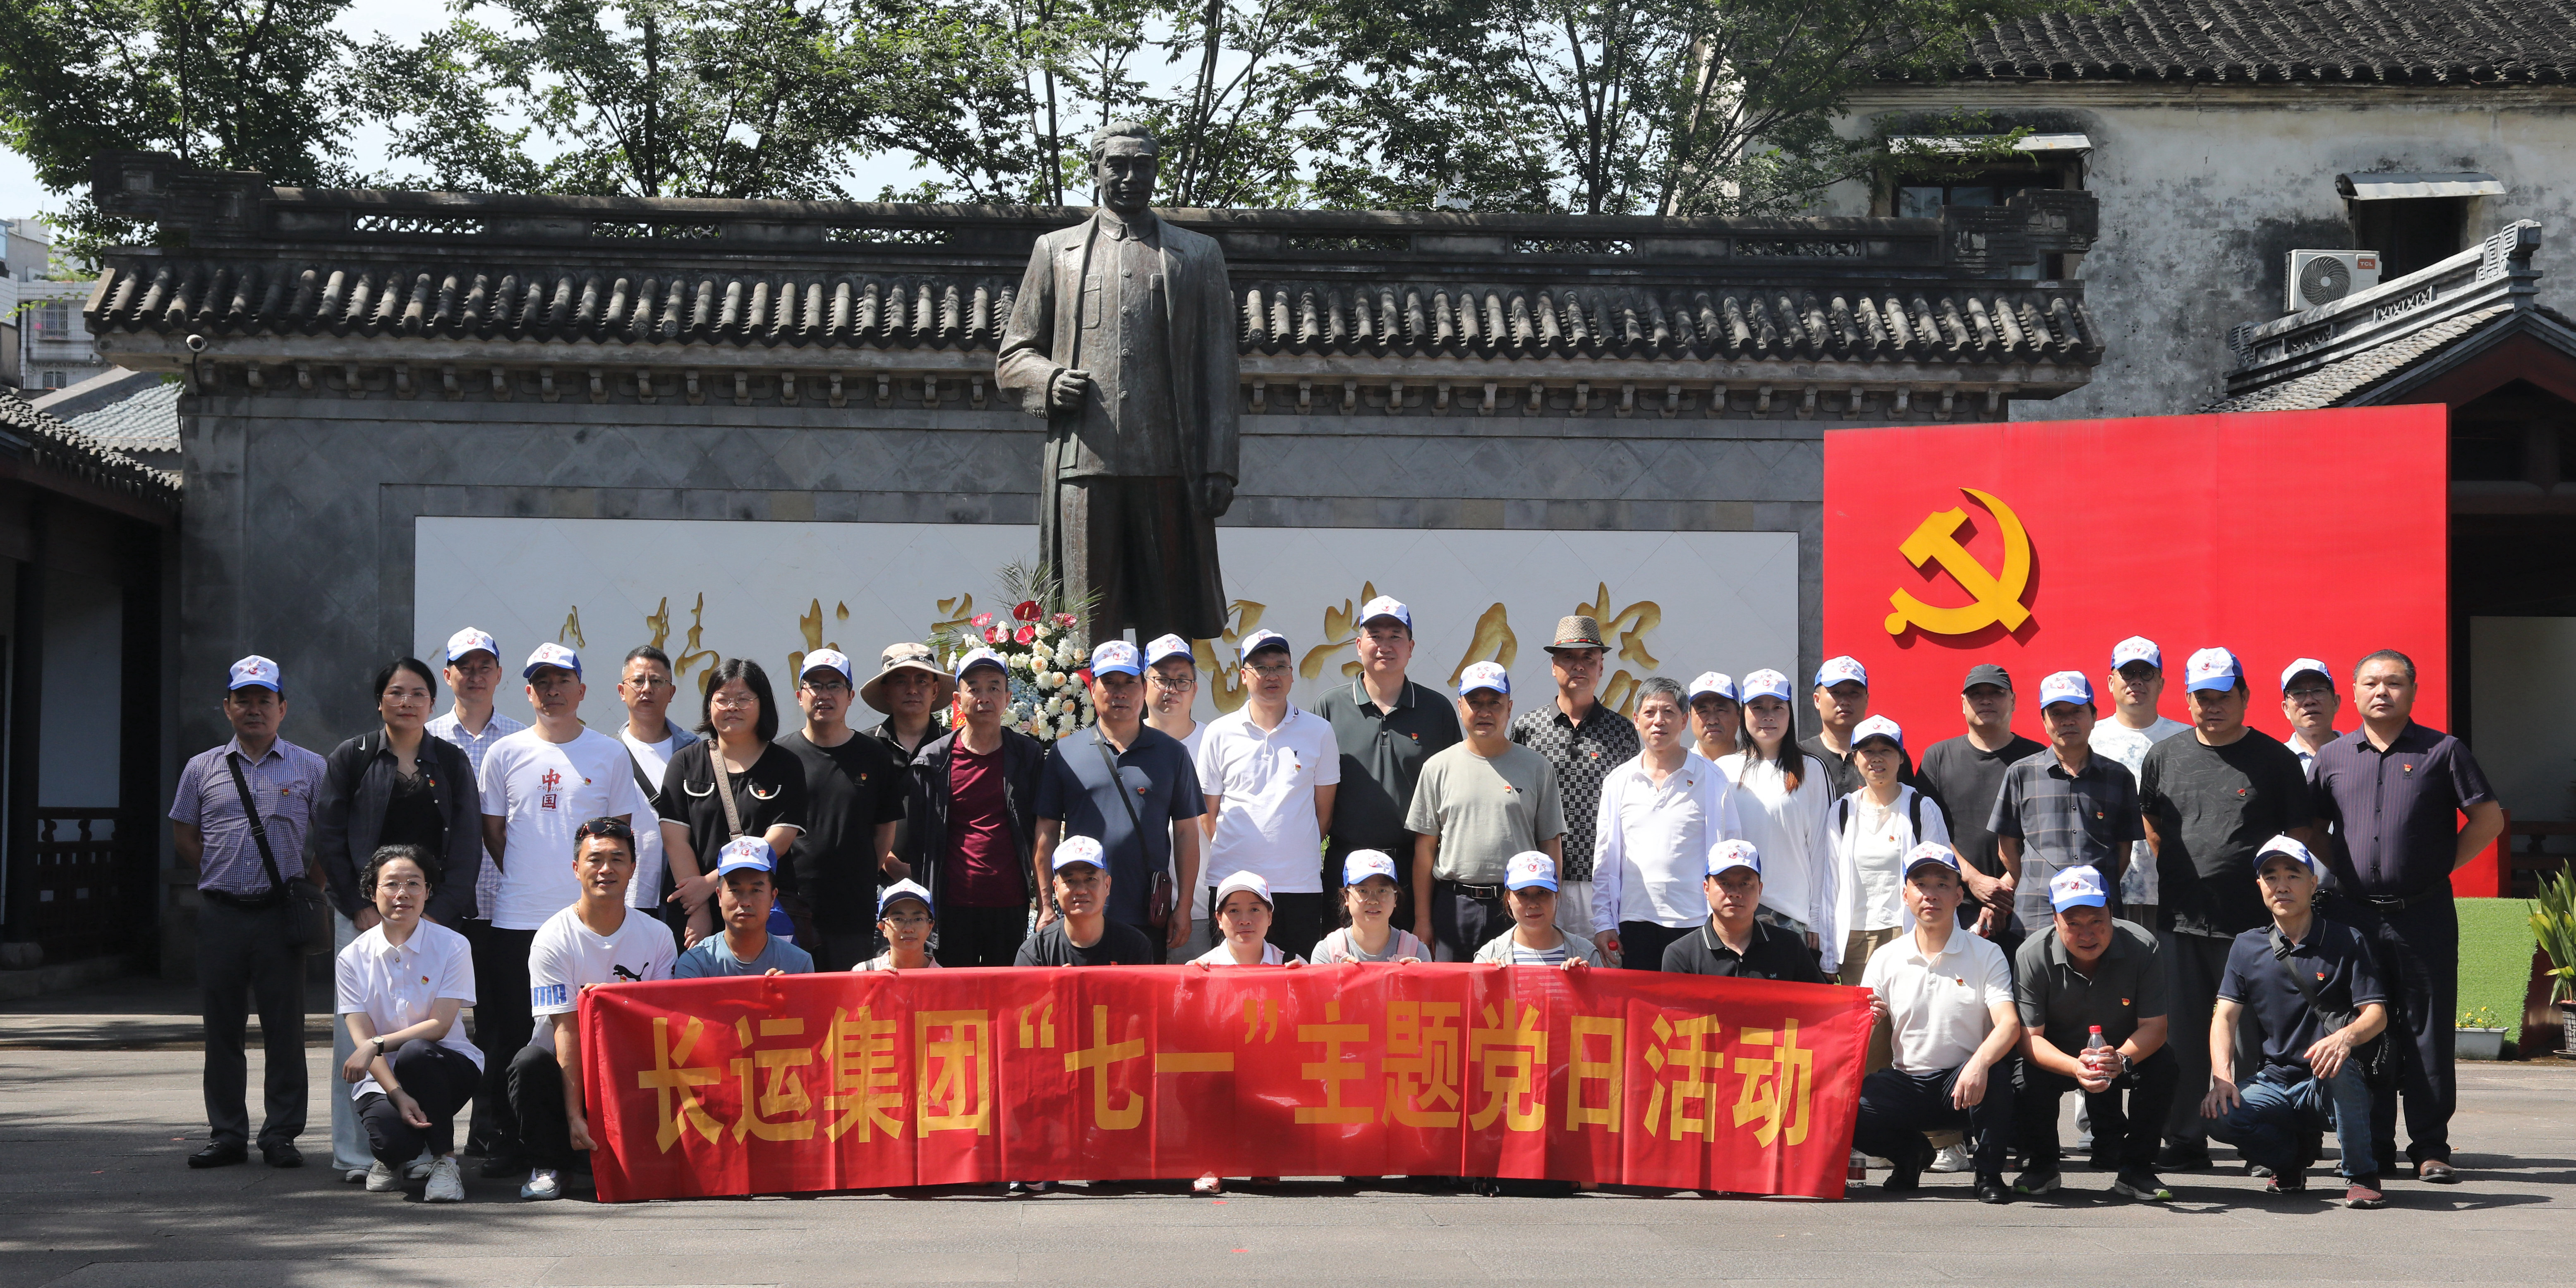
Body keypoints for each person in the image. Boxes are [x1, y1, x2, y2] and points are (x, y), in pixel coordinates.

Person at [2308, 649, 2504, 1185]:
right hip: (2352, 918)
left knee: (2426, 1031)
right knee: (2363, 1028)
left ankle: (2429, 1147)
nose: (2381, 691)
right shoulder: (2330, 757)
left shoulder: (2443, 751)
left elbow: (2487, 817)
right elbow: (2307, 828)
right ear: (2351, 692)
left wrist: (2439, 865)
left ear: (2412, 690)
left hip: (2423, 914)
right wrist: (2344, 871)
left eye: (2392, 682)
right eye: (2370, 682)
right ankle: (2371, 1146)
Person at [472, 643, 653, 1179]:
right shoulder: (504, 752)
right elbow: (494, 832)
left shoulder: (608, 753)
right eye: (541, 682)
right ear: (527, 691)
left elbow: (616, 836)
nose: (553, 690)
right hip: (517, 917)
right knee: (508, 1034)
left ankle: (591, 1139)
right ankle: (507, 1141)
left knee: (588, 1033)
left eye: (562, 681)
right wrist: (534, 877)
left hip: (583, 922)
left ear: (582, 691)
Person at [2137, 646, 2315, 1172]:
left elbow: (2297, 835)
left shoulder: (2274, 760)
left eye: (2222, 697)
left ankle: (2259, 1138)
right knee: (2184, 1036)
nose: (2211, 707)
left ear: (2244, 696)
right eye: (2201, 698)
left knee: (2256, 1039)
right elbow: (2153, 831)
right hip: (2181, 920)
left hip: (2256, 926)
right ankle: (2186, 1138)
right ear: (2188, 698)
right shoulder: (2163, 756)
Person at [306, 657, 480, 1182]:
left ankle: (428, 1146)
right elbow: (329, 838)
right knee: (356, 1034)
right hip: (362, 912)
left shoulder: (449, 760)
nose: (406, 702)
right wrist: (355, 904)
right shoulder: (352, 757)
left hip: (433, 914)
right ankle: (360, 1153)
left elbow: (469, 842)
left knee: (428, 1034)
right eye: (396, 693)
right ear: (380, 699)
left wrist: (441, 913)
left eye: (418, 694)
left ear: (433, 702)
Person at [172, 655, 329, 1170]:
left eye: (265, 700)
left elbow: (328, 839)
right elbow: (185, 833)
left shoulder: (311, 766)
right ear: (227, 707)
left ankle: (281, 1133)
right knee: (222, 1029)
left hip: (278, 917)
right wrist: (218, 873)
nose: (255, 709)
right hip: (220, 914)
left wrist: (309, 888)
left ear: (282, 708)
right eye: (245, 700)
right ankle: (227, 1134)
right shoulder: (202, 767)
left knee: (285, 1029)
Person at [2202, 836, 2391, 1208]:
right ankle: (2289, 1162)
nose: (2281, 885)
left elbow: (2376, 1015)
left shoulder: (2345, 939)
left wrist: (2345, 1039)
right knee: (2218, 1116)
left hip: (2330, 1079)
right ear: (2260, 886)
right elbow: (2224, 1016)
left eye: (2293, 875)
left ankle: (2361, 1173)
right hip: (2274, 1079)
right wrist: (2221, 1079)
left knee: (2338, 1068)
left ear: (2312, 883)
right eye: (2270, 877)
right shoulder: (2245, 946)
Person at [510, 817, 678, 1201]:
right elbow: (566, 1030)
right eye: (595, 859)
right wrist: (575, 1116)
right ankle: (550, 1164)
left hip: (629, 1058)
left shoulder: (657, 935)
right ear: (576, 868)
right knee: (529, 1063)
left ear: (633, 868)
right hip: (569, 1057)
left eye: (618, 859)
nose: (606, 869)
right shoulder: (553, 937)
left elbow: (661, 1023)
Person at [1852, 843, 2021, 1204]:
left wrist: (1978, 1063)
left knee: (1997, 1076)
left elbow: (2008, 1025)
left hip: (1962, 1082)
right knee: (1848, 1107)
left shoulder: (1985, 953)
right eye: (1921, 884)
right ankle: (1910, 1156)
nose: (1931, 895)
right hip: (1907, 1083)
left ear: (1960, 895)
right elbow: (1853, 1023)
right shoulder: (1885, 958)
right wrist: (1865, 1020)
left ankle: (1988, 1175)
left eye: (1942, 885)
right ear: (1905, 894)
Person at [422, 626, 527, 1167]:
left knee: (497, 1027)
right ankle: (422, 1137)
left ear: (500, 675)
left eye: (485, 665)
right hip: (435, 910)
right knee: (423, 1025)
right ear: (448, 675)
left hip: (496, 906)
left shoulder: (518, 738)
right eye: (465, 666)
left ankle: (487, 1135)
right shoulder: (426, 738)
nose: (476, 675)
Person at [2010, 865, 2177, 1202]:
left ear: (2111, 915)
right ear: (2055, 920)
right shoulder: (2031, 955)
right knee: (2023, 1075)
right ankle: (2042, 1164)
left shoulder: (2143, 946)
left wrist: (2121, 1058)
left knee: (2163, 1066)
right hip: (2059, 1053)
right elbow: (2030, 1038)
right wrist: (2074, 1067)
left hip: (2122, 1051)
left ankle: (2137, 1168)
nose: (2087, 934)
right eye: (2073, 924)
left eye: (2097, 922)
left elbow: (2155, 1028)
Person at [1310, 596, 1459, 960]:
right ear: (1358, 645)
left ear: (1410, 648)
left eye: (1395, 636)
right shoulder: (1329, 708)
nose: (1385, 645)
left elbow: (1451, 792)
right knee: (1343, 968)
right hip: (1347, 866)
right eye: (1374, 635)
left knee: (1410, 973)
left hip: (1414, 867)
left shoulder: (1435, 709)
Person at [1036, 640, 1205, 953]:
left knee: (1143, 1001)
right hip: (1081, 914)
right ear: (1092, 690)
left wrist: (1183, 907)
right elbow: (1046, 832)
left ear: (1143, 688)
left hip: (1147, 914)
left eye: (1129, 682)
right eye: (1109, 683)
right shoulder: (1064, 753)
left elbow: (1185, 834)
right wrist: (1046, 904)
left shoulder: (1172, 754)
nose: (1120, 693)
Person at [333, 845, 479, 1202]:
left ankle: (445, 1162)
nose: (403, 894)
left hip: (446, 1066)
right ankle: (392, 1159)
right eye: (391, 885)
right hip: (387, 1079)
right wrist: (397, 1095)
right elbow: (361, 1034)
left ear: (429, 892)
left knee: (417, 1052)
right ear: (371, 893)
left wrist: (376, 1044)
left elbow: (440, 1026)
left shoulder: (453, 945)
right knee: (391, 1140)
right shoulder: (351, 957)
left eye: (414, 884)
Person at [1404, 662, 1566, 961]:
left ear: (1509, 707)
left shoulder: (1536, 767)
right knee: (1454, 1000)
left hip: (1517, 904)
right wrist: (1423, 919)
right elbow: (1425, 850)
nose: (1484, 711)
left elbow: (1549, 843)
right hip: (1454, 907)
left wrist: (1549, 910)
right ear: (1460, 706)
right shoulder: (1437, 768)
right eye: (1475, 703)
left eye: (1494, 703)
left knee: (1515, 1002)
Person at [1196, 629, 1340, 959]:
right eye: (1261, 667)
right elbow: (1208, 812)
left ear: (1291, 675)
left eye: (1279, 667)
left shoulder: (1319, 731)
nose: (1271, 676)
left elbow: (1324, 813)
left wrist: (1289, 850)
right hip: (1233, 885)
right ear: (1244, 675)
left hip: (1297, 884)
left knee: (1295, 984)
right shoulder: (1219, 732)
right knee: (1231, 985)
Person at [1590, 676, 1742, 972]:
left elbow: (1729, 854)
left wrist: (1725, 921)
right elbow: (1605, 862)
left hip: (1696, 922)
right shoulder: (1619, 781)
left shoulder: (1711, 778)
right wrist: (1603, 922)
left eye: (1669, 712)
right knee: (1640, 1012)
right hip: (1633, 922)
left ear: (1684, 720)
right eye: (1649, 712)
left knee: (1693, 1015)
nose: (1659, 721)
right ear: (1635, 720)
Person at [907, 648, 1047, 967]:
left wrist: (1044, 902)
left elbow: (1043, 831)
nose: (984, 697)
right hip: (951, 905)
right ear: (958, 698)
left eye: (994, 687)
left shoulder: (1028, 756)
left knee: (1007, 998)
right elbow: (919, 842)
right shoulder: (932, 761)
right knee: (956, 999)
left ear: (1008, 697)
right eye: (974, 688)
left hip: (1009, 902)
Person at [655, 658, 807, 948]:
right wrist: (699, 907)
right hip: (693, 908)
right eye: (722, 699)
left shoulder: (786, 765)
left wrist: (713, 883)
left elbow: (779, 839)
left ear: (762, 704)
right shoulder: (685, 763)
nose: (732, 707)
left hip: (760, 910)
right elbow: (675, 841)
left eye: (743, 699)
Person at [1510, 615, 1640, 941]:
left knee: (1603, 971)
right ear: (1553, 666)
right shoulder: (1528, 727)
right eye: (1568, 657)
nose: (1578, 667)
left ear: (1601, 668)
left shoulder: (1622, 731)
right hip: (1540, 881)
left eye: (1588, 659)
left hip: (1603, 879)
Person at [776, 648, 907, 970]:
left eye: (834, 685)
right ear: (799, 695)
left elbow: (884, 830)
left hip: (852, 910)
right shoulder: (779, 756)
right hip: (791, 907)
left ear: (850, 696)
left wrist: (860, 873)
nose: (824, 694)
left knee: (849, 1006)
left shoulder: (875, 756)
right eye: (815, 685)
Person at [1993, 670, 2141, 936]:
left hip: (2099, 912)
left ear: (2094, 717)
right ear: (2044, 720)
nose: (2068, 721)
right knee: (2033, 978)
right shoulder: (2021, 773)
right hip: (2036, 915)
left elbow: (2123, 853)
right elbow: (2007, 848)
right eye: (2057, 713)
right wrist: (2036, 882)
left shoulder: (2119, 778)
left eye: (2076, 711)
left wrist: (2092, 887)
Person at [1718, 668, 1841, 973]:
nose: (1767, 716)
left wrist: (1816, 918)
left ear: (1790, 713)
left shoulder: (1811, 770)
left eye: (1777, 708)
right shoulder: (1721, 770)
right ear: (1742, 712)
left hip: (1792, 918)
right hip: (1734, 910)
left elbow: (1823, 851)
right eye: (1757, 707)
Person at [1916, 663, 2042, 944]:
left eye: (1995, 693)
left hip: (2023, 905)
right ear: (1963, 703)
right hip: (1953, 905)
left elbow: (2042, 836)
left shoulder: (2038, 759)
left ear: (2013, 700)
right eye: (1976, 694)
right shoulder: (1936, 758)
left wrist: (2002, 892)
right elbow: (1928, 833)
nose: (1985, 700)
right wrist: (1972, 879)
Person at [1830, 715, 1949, 996]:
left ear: (1901, 758)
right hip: (1856, 936)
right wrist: (1828, 949)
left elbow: (1943, 876)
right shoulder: (1842, 810)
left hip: (1908, 931)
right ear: (1855, 758)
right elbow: (1829, 880)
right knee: (1868, 1025)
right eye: (1867, 751)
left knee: (1911, 1018)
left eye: (1885, 750)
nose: (1876, 759)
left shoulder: (1922, 808)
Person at [2088, 637, 2190, 928]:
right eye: (2127, 673)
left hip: (2172, 888)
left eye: (2146, 674)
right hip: (2105, 890)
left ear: (2160, 683)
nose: (2137, 681)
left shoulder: (2186, 739)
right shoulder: (2089, 739)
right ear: (2110, 682)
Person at [1660, 840, 1830, 982]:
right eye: (1724, 883)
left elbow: (1820, 1010)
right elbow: (1675, 1019)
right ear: (1706, 889)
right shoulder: (1682, 954)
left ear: (1760, 890)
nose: (1735, 893)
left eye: (1745, 884)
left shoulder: (1790, 947)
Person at [613, 645, 698, 922]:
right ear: (621, 691)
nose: (646, 689)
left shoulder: (695, 752)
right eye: (637, 681)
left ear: (671, 692)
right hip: (622, 894)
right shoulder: (605, 753)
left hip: (682, 895)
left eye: (657, 681)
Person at [1144, 633, 1210, 958]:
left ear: (1195, 690)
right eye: (1162, 680)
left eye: (1182, 681)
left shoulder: (1217, 740)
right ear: (1143, 685)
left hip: (1202, 908)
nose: (1171, 690)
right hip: (1137, 909)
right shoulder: (1123, 743)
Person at [1015, 835, 1162, 971]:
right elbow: (1024, 999)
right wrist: (1055, 990)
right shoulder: (1035, 952)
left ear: (1107, 885)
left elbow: (1144, 998)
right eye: (1070, 881)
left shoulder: (1135, 946)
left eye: (1090, 879)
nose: (1080, 890)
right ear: (1057, 889)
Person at [674, 837, 816, 977]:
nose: (746, 902)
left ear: (773, 897)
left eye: (756, 891)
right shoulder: (696, 962)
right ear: (720, 896)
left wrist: (787, 997)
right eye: (735, 890)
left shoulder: (798, 963)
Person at [1473, 852, 1604, 966]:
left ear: (1556, 895)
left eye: (1542, 892)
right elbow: (1474, 995)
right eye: (1522, 894)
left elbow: (1602, 995)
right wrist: (1487, 983)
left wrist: (1585, 984)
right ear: (1508, 899)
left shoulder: (1586, 953)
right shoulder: (1488, 956)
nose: (1533, 904)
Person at [1310, 850, 1431, 963]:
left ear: (1395, 898)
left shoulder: (1416, 952)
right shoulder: (1328, 953)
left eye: (1382, 891)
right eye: (1363, 891)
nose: (1373, 901)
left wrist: (1415, 981)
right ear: (1347, 897)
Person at [860, 642, 954, 765]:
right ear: (886, 691)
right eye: (901, 682)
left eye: (922, 681)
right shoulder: (865, 746)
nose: (912, 690)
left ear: (935, 691)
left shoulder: (952, 745)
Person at [1191, 870, 1306, 967]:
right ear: (1219, 919)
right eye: (1234, 911)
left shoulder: (1294, 965)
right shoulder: (1201, 968)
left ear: (1270, 917)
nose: (1245, 920)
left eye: (1255, 910)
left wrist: (1300, 985)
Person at [1799, 655, 1873, 798]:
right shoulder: (1798, 756)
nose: (1845, 701)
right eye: (1836, 693)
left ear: (1866, 700)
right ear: (1817, 700)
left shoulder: (1886, 756)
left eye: (1854, 693)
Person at [853, 880, 939, 971]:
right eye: (898, 919)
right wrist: (874, 984)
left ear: (930, 927)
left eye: (918, 919)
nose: (909, 929)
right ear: (883, 928)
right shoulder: (863, 972)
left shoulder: (945, 978)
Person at [2279, 658, 2343, 773]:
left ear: (2336, 702)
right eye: (2298, 693)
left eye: (2318, 691)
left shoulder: (2359, 755)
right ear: (2287, 709)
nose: (2309, 701)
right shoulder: (2274, 762)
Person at [1687, 673, 1742, 769]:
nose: (1712, 721)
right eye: (1703, 711)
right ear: (1690, 717)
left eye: (1720, 710)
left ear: (1740, 716)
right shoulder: (1677, 767)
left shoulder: (1758, 767)